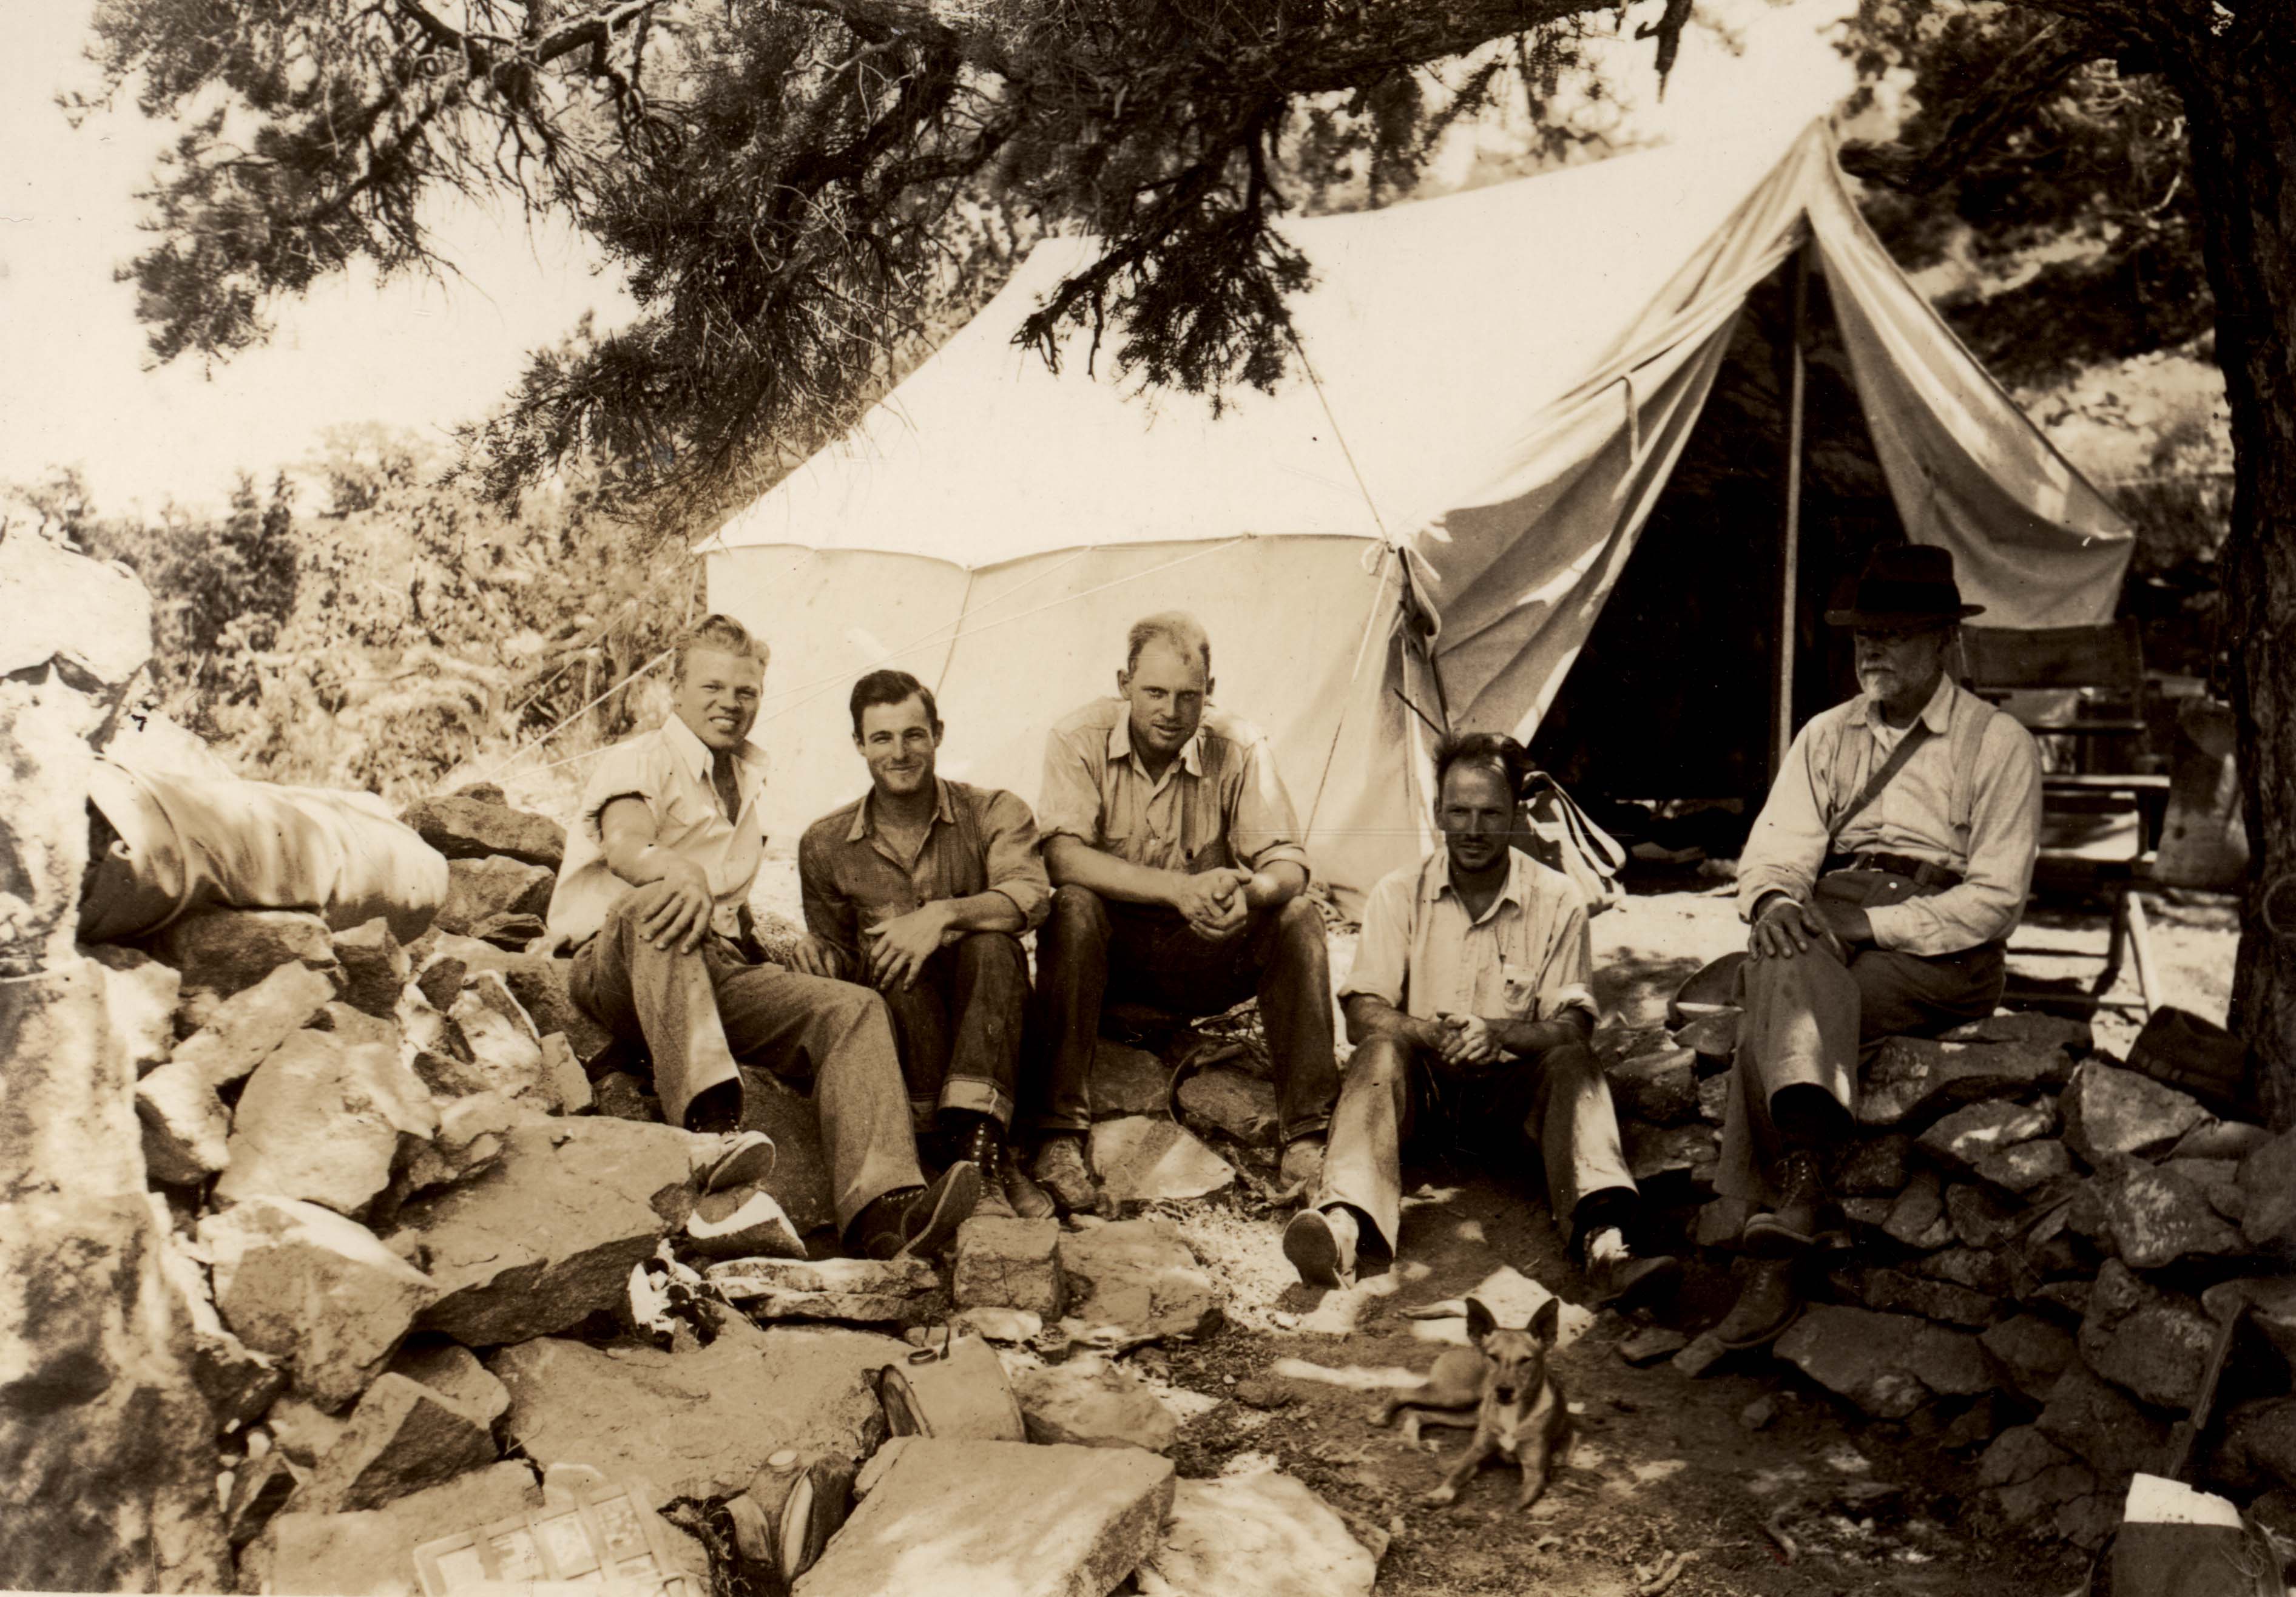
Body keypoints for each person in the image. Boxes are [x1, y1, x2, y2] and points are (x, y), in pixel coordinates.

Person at [546, 615, 979, 1260]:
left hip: (706, 969)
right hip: (620, 964)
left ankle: (883, 1209)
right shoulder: (641, 758)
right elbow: (627, 845)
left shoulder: (745, 775)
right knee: (660, 903)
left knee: (852, 1007)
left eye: (745, 692)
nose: (730, 704)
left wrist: (778, 955)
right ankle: (710, 1129)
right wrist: (680, 871)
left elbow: (728, 907)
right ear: (675, 687)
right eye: (713, 687)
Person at [1709, 545, 2041, 1349]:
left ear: (1943, 642)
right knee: (1784, 957)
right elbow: (1779, 842)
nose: (1873, 650)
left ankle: (1752, 1214)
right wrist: (1780, 899)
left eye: (1894, 633)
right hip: (1833, 916)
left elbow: (1995, 903)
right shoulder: (1827, 735)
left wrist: (1876, 926)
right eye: (1864, 635)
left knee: (1776, 998)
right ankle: (1803, 1199)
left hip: (1942, 950)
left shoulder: (2000, 745)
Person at [1290, 733, 1678, 1305]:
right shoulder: (1398, 893)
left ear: (1518, 813)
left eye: (1491, 813)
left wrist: (1499, 1033)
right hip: (1423, 1104)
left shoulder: (1557, 898)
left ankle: (1605, 1243)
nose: (1473, 829)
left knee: (1574, 1062)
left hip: (1512, 1105)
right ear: (1437, 812)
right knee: (1378, 1050)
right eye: (1460, 812)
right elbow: (1361, 1011)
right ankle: (1344, 1228)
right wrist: (1427, 1032)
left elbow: (1573, 1026)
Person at [1029, 612, 1340, 1213]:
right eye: (1154, 693)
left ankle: (1306, 1134)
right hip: (1109, 959)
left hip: (1202, 948)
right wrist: (1176, 888)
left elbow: (1290, 863)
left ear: (1210, 692)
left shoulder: (1241, 746)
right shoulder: (1076, 737)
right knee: (1072, 907)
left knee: (1298, 916)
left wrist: (1248, 895)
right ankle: (1058, 1132)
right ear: (1124, 683)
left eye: (1187, 696)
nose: (1170, 711)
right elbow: (1062, 856)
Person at [799, 669, 1056, 1222]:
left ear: (937, 733)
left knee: (993, 948)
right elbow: (841, 953)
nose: (900, 752)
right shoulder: (825, 844)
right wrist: (818, 957)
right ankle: (961, 1158)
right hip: (909, 1037)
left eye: (913, 734)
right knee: (891, 962)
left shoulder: (994, 812)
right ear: (859, 745)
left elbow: (1030, 897)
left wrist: (943, 915)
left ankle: (982, 1155)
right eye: (882, 738)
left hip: (995, 1025)